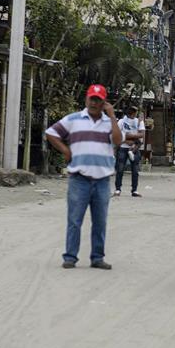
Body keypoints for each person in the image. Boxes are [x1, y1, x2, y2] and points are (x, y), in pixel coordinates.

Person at [46, 84, 123, 270]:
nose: (94, 103)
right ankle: (70, 257)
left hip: (102, 180)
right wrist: (65, 149)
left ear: (104, 103)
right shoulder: (73, 119)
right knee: (74, 220)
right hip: (79, 179)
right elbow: (51, 133)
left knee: (100, 221)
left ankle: (97, 257)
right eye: (92, 99)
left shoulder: (109, 123)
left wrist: (112, 116)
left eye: (98, 100)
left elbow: (118, 141)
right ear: (86, 99)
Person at [114, 105, 145, 197]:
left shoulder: (139, 121)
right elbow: (117, 135)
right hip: (123, 147)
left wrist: (128, 136)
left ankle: (134, 190)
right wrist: (127, 139)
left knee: (135, 170)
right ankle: (118, 189)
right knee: (120, 169)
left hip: (134, 147)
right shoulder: (121, 122)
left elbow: (142, 135)